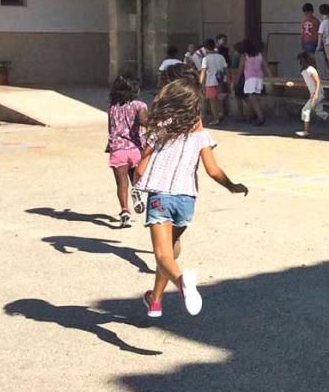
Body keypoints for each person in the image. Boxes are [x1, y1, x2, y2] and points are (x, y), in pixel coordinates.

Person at [134, 76, 248, 318]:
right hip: (186, 201)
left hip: (161, 196)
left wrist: (136, 186)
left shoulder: (160, 130)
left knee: (163, 255)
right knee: (171, 251)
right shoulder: (201, 135)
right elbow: (213, 170)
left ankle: (182, 283)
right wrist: (232, 186)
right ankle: (155, 300)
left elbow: (141, 167)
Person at [106, 75, 148, 228]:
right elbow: (144, 121)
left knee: (121, 183)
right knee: (135, 178)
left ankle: (125, 211)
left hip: (117, 148)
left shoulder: (112, 106)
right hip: (135, 148)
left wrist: (110, 143)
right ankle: (137, 192)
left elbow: (110, 127)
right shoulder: (139, 105)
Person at [291, 52, 329, 138]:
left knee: (305, 110)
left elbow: (317, 81)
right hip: (314, 93)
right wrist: (294, 84)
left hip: (317, 94)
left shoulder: (311, 69)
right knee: (320, 112)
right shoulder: (305, 71)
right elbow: (307, 83)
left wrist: (316, 94)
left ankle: (306, 131)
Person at [236, 39, 272, 126]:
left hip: (250, 79)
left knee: (251, 98)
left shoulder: (245, 56)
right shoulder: (260, 55)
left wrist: (236, 81)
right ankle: (250, 117)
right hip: (259, 78)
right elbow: (266, 67)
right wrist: (271, 77)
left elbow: (240, 69)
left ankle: (260, 116)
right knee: (255, 98)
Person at [199, 39, 227, 125]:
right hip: (220, 81)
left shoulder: (206, 59)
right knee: (220, 99)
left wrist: (201, 83)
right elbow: (226, 69)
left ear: (206, 48)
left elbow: (203, 71)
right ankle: (221, 113)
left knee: (212, 101)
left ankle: (216, 118)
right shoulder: (221, 57)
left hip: (210, 81)